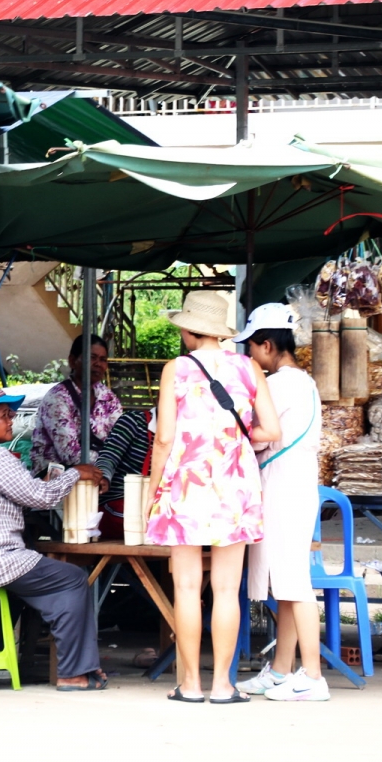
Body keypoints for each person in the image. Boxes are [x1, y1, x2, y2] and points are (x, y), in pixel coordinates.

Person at [146, 291, 281, 703]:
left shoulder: (177, 369)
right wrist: (232, 440)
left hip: (186, 485)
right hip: (236, 485)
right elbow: (271, 431)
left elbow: (165, 437)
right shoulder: (248, 367)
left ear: (188, 329)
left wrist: (153, 489)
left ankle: (190, 685)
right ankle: (224, 686)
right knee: (226, 589)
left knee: (186, 588)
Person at [0, 383, 109, 690]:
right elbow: (40, 497)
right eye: (4, 414)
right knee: (72, 578)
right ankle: (73, 672)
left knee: (11, 591)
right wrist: (75, 473)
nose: (11, 419)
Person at [232, 304, 330, 702]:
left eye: (252, 348)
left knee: (295, 583)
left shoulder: (279, 386)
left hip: (284, 484)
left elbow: (258, 434)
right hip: (294, 481)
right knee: (286, 583)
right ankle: (280, 671)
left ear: (267, 345)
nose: (249, 356)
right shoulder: (302, 381)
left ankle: (313, 676)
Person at [31, 335, 122, 475]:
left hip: (99, 474)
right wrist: (111, 461)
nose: (98, 364)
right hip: (54, 481)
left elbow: (121, 439)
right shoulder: (57, 398)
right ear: (73, 361)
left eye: (103, 360)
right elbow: (70, 454)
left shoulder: (108, 397)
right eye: (92, 357)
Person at [94, 407, 154, 540]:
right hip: (119, 499)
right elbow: (110, 454)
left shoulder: (186, 427)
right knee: (140, 522)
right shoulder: (134, 421)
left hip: (155, 503)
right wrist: (103, 476)